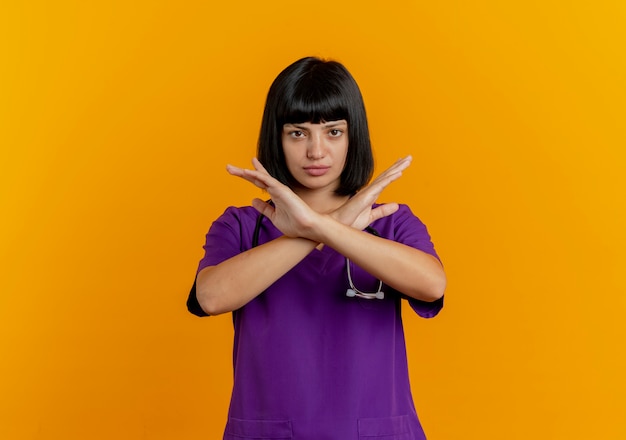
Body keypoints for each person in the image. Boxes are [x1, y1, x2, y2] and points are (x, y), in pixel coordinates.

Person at [187, 56, 446, 440]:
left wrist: (324, 228)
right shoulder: (242, 225)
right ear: (276, 137)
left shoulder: (389, 220)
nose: (316, 152)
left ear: (353, 134)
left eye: (333, 132)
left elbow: (432, 284)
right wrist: (319, 231)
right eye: (298, 133)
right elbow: (209, 297)